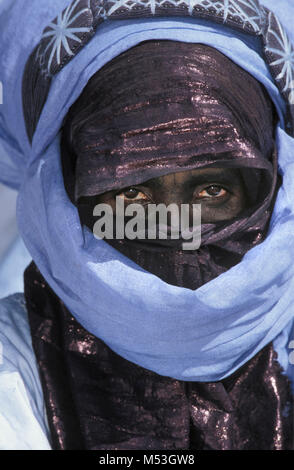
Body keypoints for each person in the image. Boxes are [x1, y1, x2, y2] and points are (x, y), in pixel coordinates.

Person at [0, 0, 293, 450]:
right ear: (65, 187)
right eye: (132, 192)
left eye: (212, 191)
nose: (176, 232)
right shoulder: (13, 373)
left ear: (274, 182)